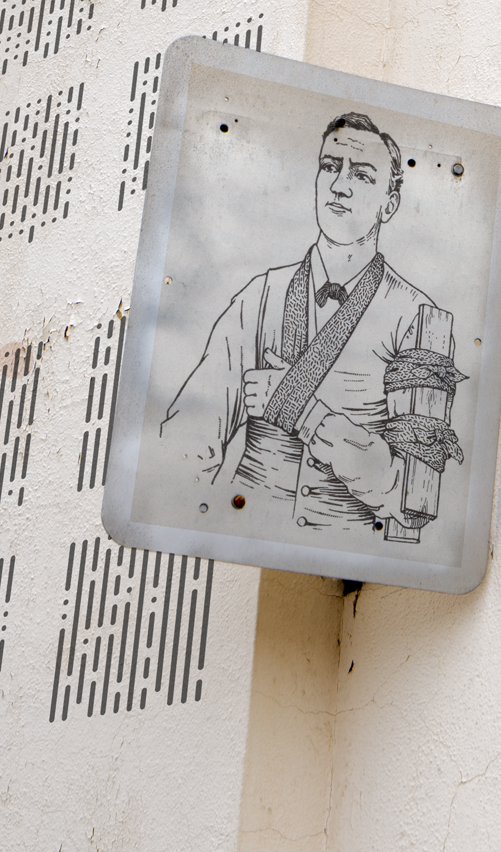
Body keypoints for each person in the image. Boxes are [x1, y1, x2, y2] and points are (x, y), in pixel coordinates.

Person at [160, 111, 465, 541]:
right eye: (329, 167)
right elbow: (186, 442)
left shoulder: (419, 319)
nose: (340, 185)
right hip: (244, 540)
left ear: (389, 204)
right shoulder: (260, 295)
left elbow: (414, 497)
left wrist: (300, 409)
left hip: (347, 552)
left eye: (361, 175)